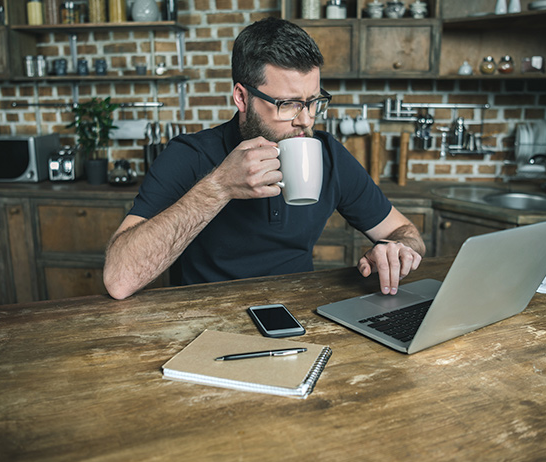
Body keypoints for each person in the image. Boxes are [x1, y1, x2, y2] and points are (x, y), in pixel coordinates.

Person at [103, 17, 425, 300]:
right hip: (207, 328)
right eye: (288, 104)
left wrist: (398, 251)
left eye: (313, 102)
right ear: (242, 97)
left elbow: (406, 233)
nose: (306, 120)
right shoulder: (190, 156)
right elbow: (118, 279)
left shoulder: (328, 154)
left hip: (299, 321)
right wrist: (219, 187)